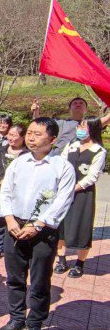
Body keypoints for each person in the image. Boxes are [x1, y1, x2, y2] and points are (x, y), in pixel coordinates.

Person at [0, 118, 76, 330]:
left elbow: (63, 200)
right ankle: (16, 319)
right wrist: (9, 218)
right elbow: (6, 191)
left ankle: (35, 322)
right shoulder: (19, 163)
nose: (31, 138)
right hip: (15, 226)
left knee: (40, 280)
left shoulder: (62, 167)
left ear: (52, 139)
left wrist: (38, 224)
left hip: (43, 230)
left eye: (37, 134)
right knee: (15, 278)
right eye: (29, 133)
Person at [55, 117, 106, 278]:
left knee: (82, 227)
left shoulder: (99, 151)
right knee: (61, 225)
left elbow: (92, 177)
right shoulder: (72, 145)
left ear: (93, 129)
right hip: (64, 191)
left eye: (83, 126)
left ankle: (79, 263)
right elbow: (61, 164)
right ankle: (61, 259)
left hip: (83, 194)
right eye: (79, 126)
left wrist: (74, 188)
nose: (79, 129)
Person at [0, 125, 29, 260]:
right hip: (0, 189)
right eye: (9, 135)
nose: (10, 138)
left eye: (14, 135)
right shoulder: (0, 150)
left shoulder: (28, 154)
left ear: (23, 138)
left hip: (19, 191)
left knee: (15, 218)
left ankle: (13, 246)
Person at [32, 97, 110, 156]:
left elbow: (107, 119)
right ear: (70, 109)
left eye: (81, 103)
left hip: (78, 161)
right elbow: (40, 124)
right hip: (57, 158)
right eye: (75, 103)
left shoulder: (91, 123)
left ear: (86, 109)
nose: (78, 105)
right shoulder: (59, 122)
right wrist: (36, 111)